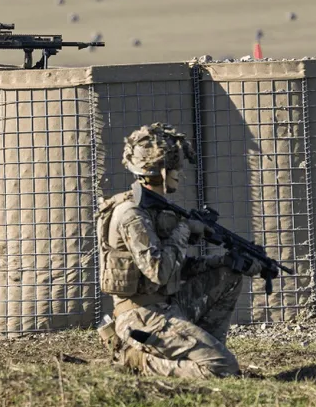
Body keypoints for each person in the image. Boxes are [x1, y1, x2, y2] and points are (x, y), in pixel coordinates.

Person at [97, 123, 263, 378]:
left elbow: (178, 267)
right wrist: (185, 229)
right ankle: (137, 359)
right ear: (163, 172)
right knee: (223, 368)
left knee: (228, 274)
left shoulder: (156, 210)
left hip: (167, 303)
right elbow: (160, 273)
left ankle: (205, 352)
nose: (180, 175)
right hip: (141, 315)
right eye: (177, 169)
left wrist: (224, 261)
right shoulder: (131, 214)